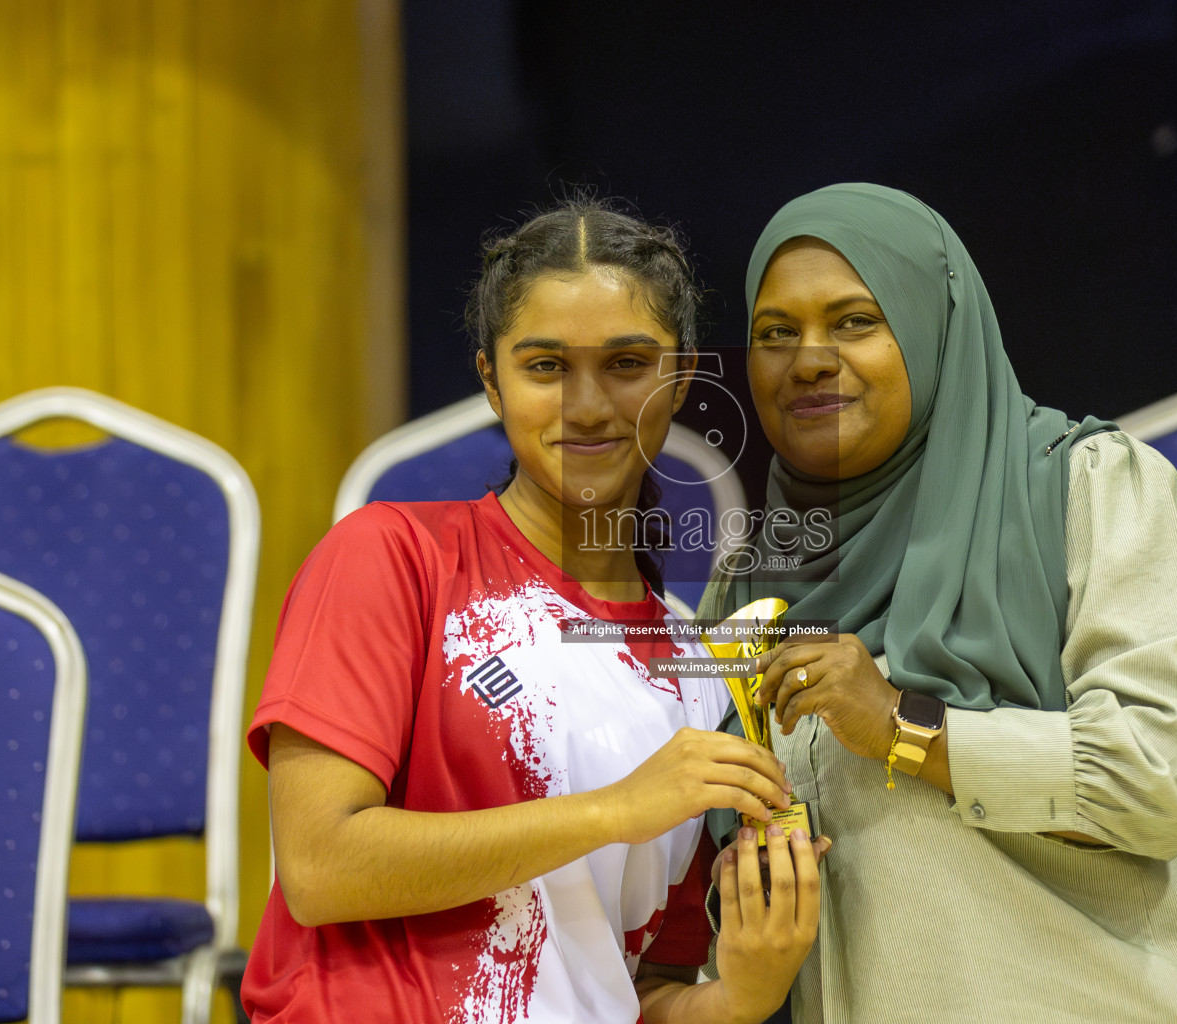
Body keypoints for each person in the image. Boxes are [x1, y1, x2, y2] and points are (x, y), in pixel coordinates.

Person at [699, 183, 1177, 1023]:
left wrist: (904, 726)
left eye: (855, 321)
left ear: (935, 328)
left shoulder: (1084, 489)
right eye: (776, 333)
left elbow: (1165, 778)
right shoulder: (753, 573)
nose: (808, 358)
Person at [242, 198, 824, 1024]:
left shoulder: (698, 670)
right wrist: (613, 811)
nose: (586, 407)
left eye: (627, 364)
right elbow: (320, 865)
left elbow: (641, 985)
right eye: (545, 366)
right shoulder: (390, 558)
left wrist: (744, 993)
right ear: (490, 379)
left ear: (683, 376)